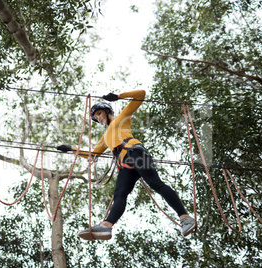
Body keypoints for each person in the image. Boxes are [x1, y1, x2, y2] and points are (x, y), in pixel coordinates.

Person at [57, 90, 196, 240]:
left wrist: (118, 97)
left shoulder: (122, 118)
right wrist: (72, 149)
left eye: (99, 113)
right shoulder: (105, 137)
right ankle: (106, 226)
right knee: (119, 194)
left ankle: (185, 218)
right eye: (96, 117)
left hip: (135, 153)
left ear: (107, 111)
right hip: (124, 165)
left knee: (155, 184)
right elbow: (93, 155)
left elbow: (141, 94)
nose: (98, 118)